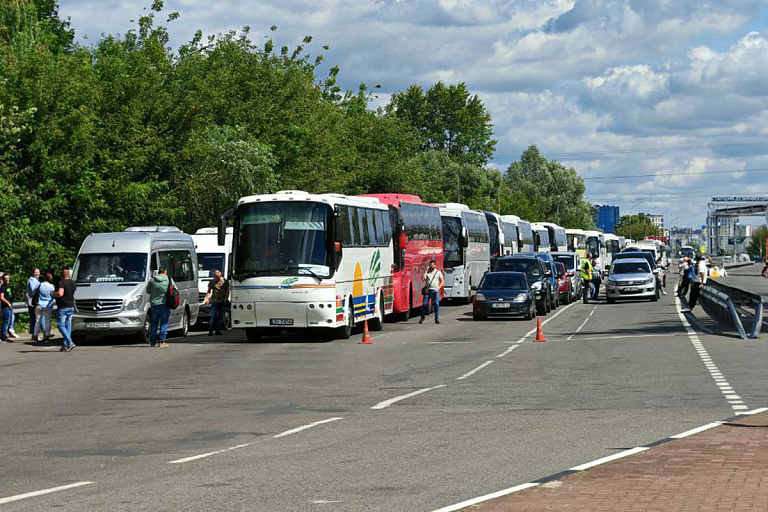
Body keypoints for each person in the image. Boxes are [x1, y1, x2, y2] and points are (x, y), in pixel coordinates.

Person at [146, 267, 172, 347]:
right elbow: (174, 289)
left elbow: (148, 290)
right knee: (163, 323)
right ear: (165, 271)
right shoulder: (168, 279)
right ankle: (162, 342)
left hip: (154, 305)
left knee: (154, 324)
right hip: (164, 304)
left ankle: (152, 342)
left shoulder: (152, 280)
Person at [54, 268, 77, 351]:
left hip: (63, 306)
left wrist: (54, 293)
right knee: (68, 326)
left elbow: (60, 293)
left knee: (60, 325)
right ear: (69, 275)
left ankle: (70, 342)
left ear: (62, 275)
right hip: (71, 306)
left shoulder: (62, 282)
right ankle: (65, 345)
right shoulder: (73, 283)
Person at [205, 269, 229, 336]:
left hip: (222, 301)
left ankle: (217, 330)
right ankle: (210, 331)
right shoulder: (212, 282)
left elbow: (227, 291)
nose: (216, 277)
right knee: (213, 316)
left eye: (217, 274)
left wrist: (226, 298)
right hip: (214, 301)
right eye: (215, 276)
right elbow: (209, 291)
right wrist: (207, 298)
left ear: (220, 274)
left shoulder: (225, 281)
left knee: (220, 317)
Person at [33, 272, 56, 343]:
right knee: (47, 321)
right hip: (48, 305)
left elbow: (34, 292)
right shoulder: (51, 286)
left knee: (37, 320)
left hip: (39, 304)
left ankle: (35, 335)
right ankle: (46, 336)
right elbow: (53, 294)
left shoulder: (40, 285)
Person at [419, 259, 444, 324]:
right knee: (424, 304)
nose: (431, 266)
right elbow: (423, 278)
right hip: (428, 290)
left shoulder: (438, 272)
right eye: (430, 265)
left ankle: (437, 318)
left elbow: (442, 281)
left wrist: (438, 287)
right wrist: (426, 271)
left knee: (436, 304)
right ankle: (422, 317)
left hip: (435, 290)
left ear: (435, 266)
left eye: (432, 265)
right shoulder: (427, 272)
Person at [25, 268, 41, 335]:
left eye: (38, 272)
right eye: (36, 272)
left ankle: (35, 333)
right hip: (32, 302)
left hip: (34, 301)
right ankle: (33, 333)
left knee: (35, 318)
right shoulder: (32, 280)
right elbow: (33, 292)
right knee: (33, 318)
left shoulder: (36, 280)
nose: (37, 274)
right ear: (33, 273)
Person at [0, 273, 14, 343]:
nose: (7, 279)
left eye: (8, 278)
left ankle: (6, 336)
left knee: (8, 322)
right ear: (3, 279)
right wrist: (8, 303)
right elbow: (1, 297)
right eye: (5, 278)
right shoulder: (3, 287)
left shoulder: (8, 286)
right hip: (5, 307)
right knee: (5, 322)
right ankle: (3, 337)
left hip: (10, 306)